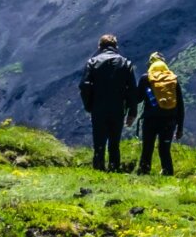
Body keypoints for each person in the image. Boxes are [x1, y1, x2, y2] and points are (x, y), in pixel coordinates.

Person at [79, 34, 137, 172]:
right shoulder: (125, 63)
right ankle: (114, 168)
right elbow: (132, 90)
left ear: (100, 46)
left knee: (99, 140)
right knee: (114, 141)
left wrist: (89, 104)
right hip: (118, 107)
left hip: (98, 107)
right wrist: (132, 112)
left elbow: (84, 85)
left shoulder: (92, 62)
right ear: (116, 47)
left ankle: (98, 168)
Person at [136, 53, 186, 175]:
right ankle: (167, 171)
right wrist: (180, 128)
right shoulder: (173, 79)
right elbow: (180, 105)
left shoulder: (146, 78)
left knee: (147, 147)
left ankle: (144, 171)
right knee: (165, 148)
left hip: (150, 118)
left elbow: (138, 99)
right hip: (170, 119)